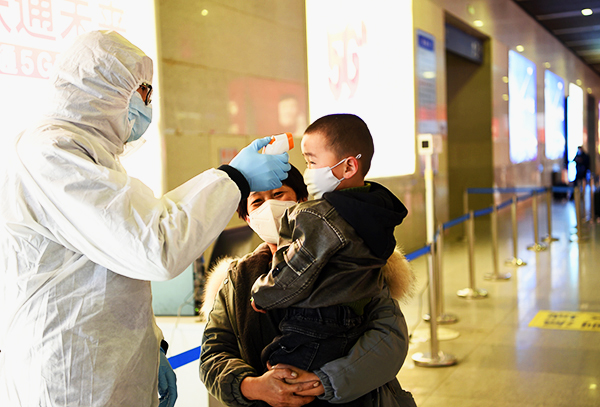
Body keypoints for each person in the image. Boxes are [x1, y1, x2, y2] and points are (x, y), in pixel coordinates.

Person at [0, 30, 290, 407]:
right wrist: (234, 178)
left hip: (103, 366)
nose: (148, 104)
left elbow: (116, 269)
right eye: (143, 91)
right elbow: (154, 246)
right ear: (101, 87)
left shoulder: (89, 157)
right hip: (72, 377)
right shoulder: (52, 153)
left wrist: (152, 345)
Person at [200, 164, 416, 407]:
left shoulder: (351, 260)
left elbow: (389, 338)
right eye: (257, 202)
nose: (269, 206)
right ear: (248, 218)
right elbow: (213, 354)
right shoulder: (236, 280)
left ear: (303, 201)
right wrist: (253, 386)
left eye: (278, 194)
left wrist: (324, 382)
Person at [250, 114, 409, 379]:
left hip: (314, 324)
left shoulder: (320, 216)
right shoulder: (374, 209)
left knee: (278, 370)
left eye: (312, 162)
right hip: (357, 321)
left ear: (349, 167)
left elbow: (296, 271)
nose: (308, 171)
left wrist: (263, 293)